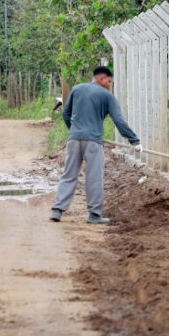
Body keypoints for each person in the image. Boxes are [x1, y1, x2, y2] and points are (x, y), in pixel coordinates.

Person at [50, 65, 141, 224]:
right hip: (93, 142)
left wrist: (74, 130)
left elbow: (65, 113)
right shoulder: (107, 96)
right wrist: (134, 140)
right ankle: (94, 215)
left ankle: (57, 210)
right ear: (101, 78)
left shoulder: (77, 89)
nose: (109, 85)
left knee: (69, 174)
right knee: (94, 177)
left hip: (74, 139)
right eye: (108, 81)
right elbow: (118, 121)